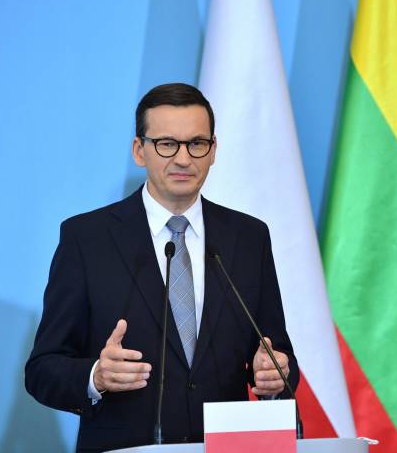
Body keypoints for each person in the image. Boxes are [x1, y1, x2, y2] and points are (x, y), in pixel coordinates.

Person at [25, 83, 299, 452]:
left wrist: (274, 375)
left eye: (196, 143)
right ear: (139, 151)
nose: (183, 159)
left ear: (213, 150)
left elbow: (278, 354)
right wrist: (96, 376)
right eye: (167, 144)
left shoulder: (249, 238)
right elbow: (42, 369)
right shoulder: (87, 239)